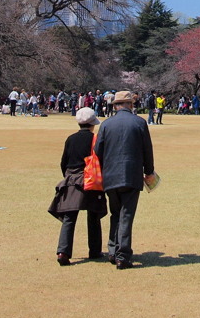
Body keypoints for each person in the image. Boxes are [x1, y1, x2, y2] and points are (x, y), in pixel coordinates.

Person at [94, 90, 156, 270]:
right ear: (131, 104)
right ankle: (123, 255)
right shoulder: (139, 122)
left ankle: (113, 251)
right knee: (127, 215)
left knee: (115, 213)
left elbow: (98, 151)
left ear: (115, 105)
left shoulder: (106, 124)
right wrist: (149, 171)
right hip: (131, 174)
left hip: (110, 175)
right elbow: (147, 150)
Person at [49, 107, 107, 265]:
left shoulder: (70, 139)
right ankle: (94, 251)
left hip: (72, 179)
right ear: (92, 124)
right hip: (91, 180)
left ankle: (63, 252)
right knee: (94, 216)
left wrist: (69, 176)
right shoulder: (95, 139)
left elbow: (63, 162)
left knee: (69, 217)